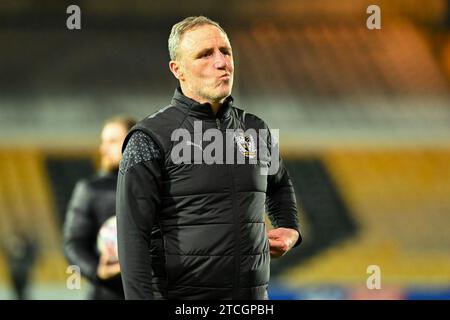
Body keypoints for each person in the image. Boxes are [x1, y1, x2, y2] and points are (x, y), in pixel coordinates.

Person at [117, 16, 301, 300]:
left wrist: (289, 229)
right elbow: (132, 239)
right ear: (178, 70)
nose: (221, 62)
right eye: (205, 55)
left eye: (225, 51)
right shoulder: (150, 137)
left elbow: (279, 186)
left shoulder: (255, 129)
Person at [63, 116, 136, 300]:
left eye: (112, 141)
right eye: (103, 142)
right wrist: (97, 271)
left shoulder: (158, 185)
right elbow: (74, 243)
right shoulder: (90, 189)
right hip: (106, 294)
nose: (103, 149)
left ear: (134, 141)